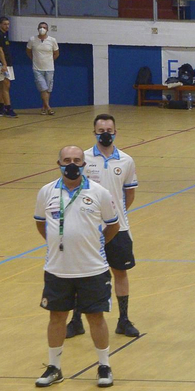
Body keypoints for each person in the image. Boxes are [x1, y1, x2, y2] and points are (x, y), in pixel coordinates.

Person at [33, 147, 120, 388]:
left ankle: (104, 366)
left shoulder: (99, 192)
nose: (72, 164)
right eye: (67, 160)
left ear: (84, 164)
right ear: (58, 163)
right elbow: (41, 225)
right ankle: (55, 367)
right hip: (57, 269)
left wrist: (93, 244)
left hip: (92, 268)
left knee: (96, 317)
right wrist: (59, 243)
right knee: (56, 316)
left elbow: (112, 226)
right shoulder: (46, 192)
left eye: (77, 160)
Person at [67, 114, 141, 339]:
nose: (105, 134)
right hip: (87, 228)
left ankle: (123, 319)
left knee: (120, 272)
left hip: (118, 228)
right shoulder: (83, 159)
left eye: (109, 129)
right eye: (101, 130)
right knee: (82, 274)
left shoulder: (126, 160)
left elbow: (129, 194)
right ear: (94, 133)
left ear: (116, 131)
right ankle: (77, 320)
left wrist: (114, 215)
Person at [27, 20, 58, 116]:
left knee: (48, 89)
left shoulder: (52, 40)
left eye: (44, 27)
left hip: (49, 68)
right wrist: (34, 59)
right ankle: (48, 108)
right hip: (37, 68)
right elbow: (28, 51)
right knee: (43, 88)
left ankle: (44, 107)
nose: (42, 29)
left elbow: (56, 53)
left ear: (47, 29)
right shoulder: (32, 39)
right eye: (40, 27)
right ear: (37, 29)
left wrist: (50, 60)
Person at [0, 16, 16, 117]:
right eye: (5, 24)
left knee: (2, 86)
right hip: (2, 64)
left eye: (8, 24)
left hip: (7, 63)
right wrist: (4, 64)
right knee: (6, 86)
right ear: (0, 24)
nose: (7, 26)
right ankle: (8, 109)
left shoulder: (5, 35)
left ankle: (1, 108)